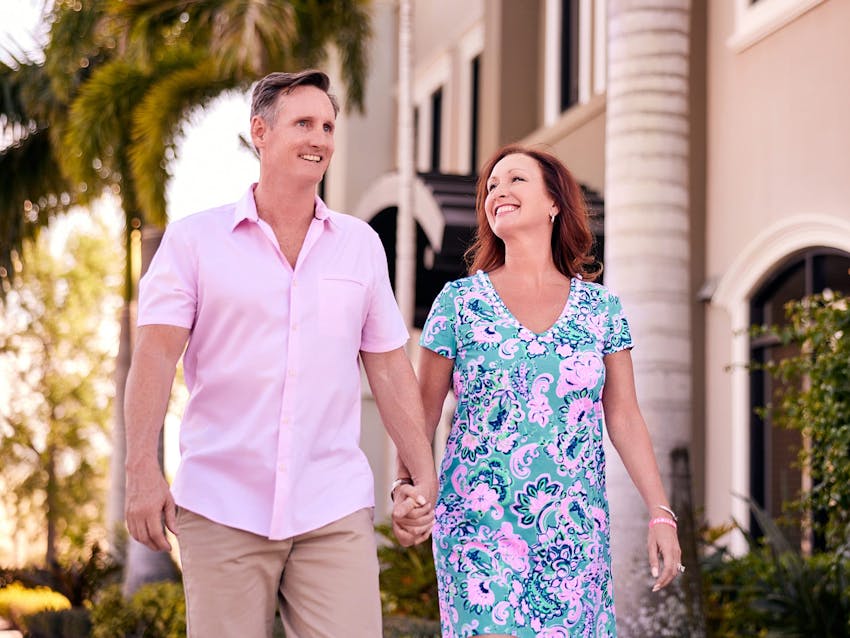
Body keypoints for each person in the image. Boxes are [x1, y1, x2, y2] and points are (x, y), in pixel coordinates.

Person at [124, 69, 437, 638]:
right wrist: (142, 469)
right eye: (303, 123)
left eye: (327, 126)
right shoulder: (195, 241)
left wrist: (421, 472)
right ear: (260, 133)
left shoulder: (360, 245)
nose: (319, 138)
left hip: (331, 504)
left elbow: (389, 365)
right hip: (222, 505)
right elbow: (154, 358)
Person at [391, 145, 683, 636]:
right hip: (476, 526)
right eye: (491, 186)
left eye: (516, 180)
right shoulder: (459, 302)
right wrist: (406, 487)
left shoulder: (601, 308)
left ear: (554, 204)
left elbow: (625, 417)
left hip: (574, 532)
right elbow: (419, 413)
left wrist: (661, 512)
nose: (498, 191)